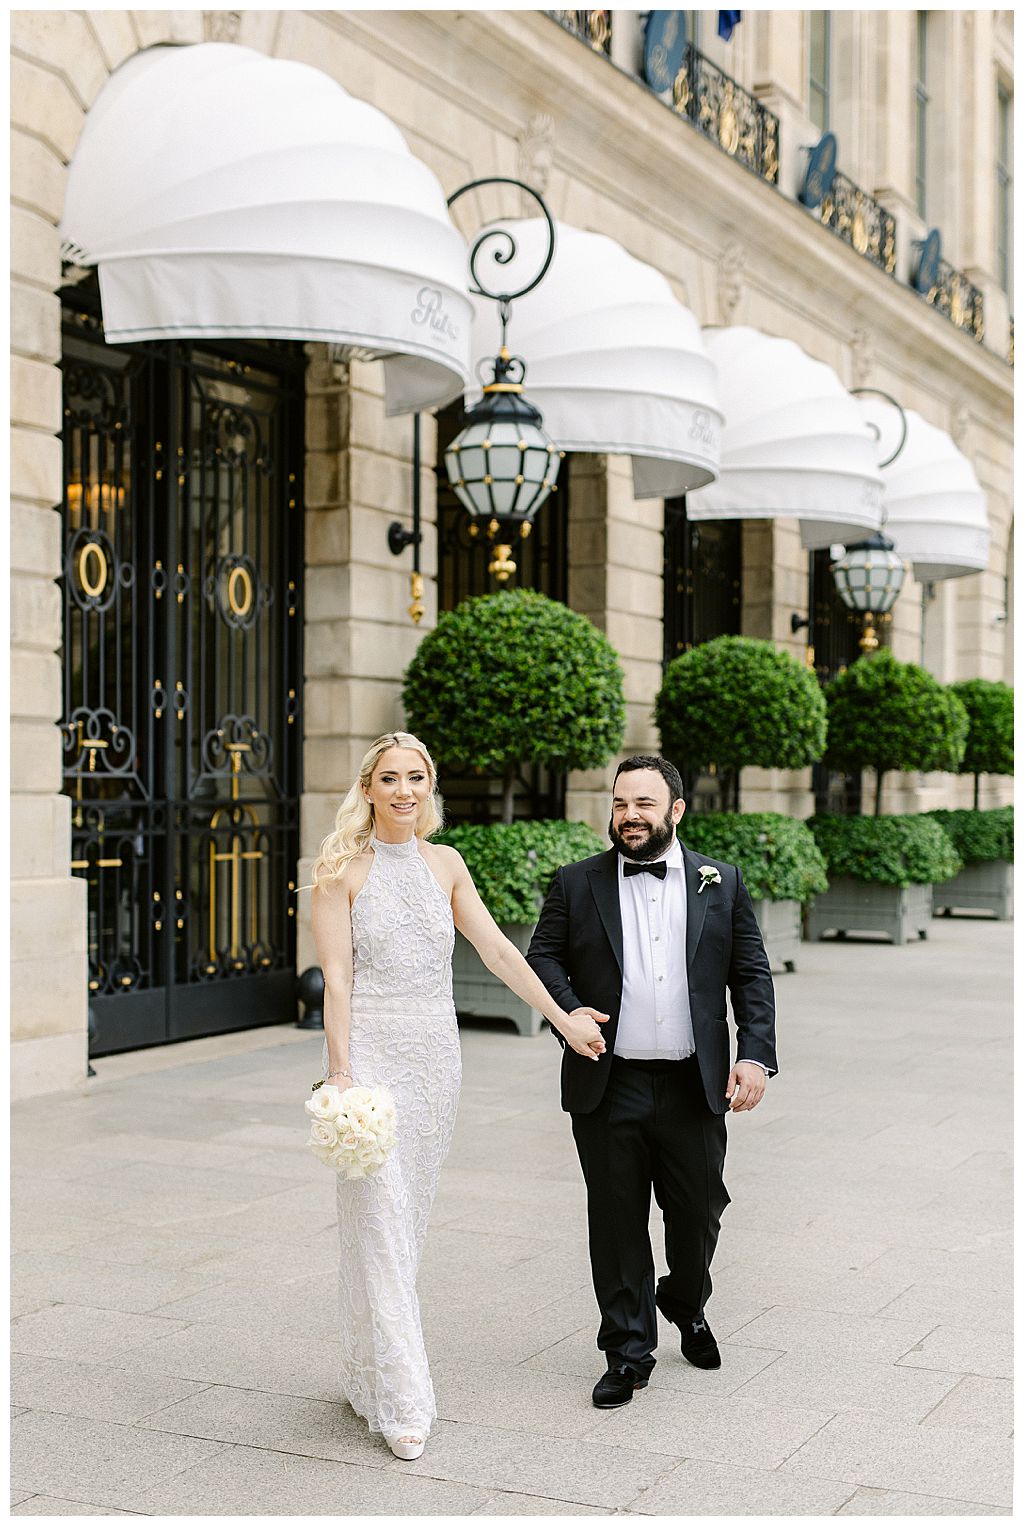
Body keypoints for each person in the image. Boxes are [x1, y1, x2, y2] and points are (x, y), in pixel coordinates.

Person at [309, 731, 608, 1460]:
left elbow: (499, 950)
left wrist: (563, 1017)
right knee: (378, 1220)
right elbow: (338, 981)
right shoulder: (340, 871)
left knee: (400, 1228)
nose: (405, 790)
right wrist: (341, 1072)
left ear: (429, 788)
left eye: (417, 777)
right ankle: (404, 1399)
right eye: (390, 779)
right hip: (373, 1059)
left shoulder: (447, 865)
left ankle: (366, 1371)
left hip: (436, 1062)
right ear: (368, 788)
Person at [526, 753, 777, 1408]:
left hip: (695, 1085)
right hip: (609, 1082)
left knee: (698, 1213)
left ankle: (685, 1301)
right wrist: (566, 1011)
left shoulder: (721, 883)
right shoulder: (576, 883)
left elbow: (750, 974)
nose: (629, 816)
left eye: (642, 804)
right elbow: (542, 957)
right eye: (619, 804)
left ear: (675, 810)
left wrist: (754, 1055)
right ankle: (628, 1352)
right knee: (616, 1223)